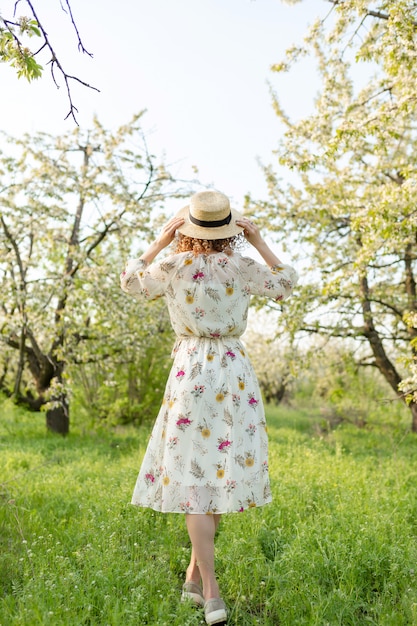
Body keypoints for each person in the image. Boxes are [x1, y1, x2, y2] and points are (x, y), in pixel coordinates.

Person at [120, 190, 298, 625]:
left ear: (187, 229)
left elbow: (130, 281)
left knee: (195, 473)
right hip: (233, 372)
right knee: (215, 470)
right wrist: (258, 242)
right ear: (231, 232)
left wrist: (159, 242)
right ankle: (212, 591)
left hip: (190, 372)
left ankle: (195, 581)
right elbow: (286, 281)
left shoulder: (174, 265)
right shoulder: (241, 265)